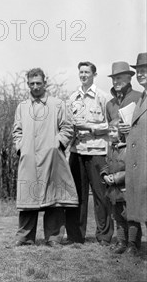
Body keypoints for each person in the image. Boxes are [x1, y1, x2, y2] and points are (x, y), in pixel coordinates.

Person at [12, 68, 78, 247]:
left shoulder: (57, 104)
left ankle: (54, 238)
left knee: (54, 199)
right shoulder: (22, 107)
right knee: (28, 199)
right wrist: (21, 148)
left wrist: (57, 144)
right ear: (28, 85)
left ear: (45, 83)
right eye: (32, 84)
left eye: (38, 83)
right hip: (30, 158)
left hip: (52, 158)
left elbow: (68, 128)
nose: (35, 87)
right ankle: (24, 237)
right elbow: (17, 131)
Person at [65, 61, 113, 245]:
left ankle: (104, 236)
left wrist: (91, 128)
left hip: (97, 151)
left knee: (101, 195)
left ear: (94, 74)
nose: (83, 75)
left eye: (87, 72)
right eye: (81, 72)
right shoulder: (72, 97)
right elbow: (68, 124)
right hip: (77, 151)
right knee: (77, 195)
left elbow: (112, 125)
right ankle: (75, 236)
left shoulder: (103, 97)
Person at [100, 119, 142, 254]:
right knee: (118, 218)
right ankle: (121, 242)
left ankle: (132, 245)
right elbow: (106, 164)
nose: (110, 133)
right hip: (114, 192)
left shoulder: (130, 148)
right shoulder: (111, 148)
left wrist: (116, 178)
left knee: (131, 218)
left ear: (122, 133)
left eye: (113, 130)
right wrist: (105, 174)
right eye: (109, 130)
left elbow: (132, 168)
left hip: (127, 190)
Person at [124, 52, 147, 254]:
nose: (140, 74)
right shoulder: (142, 97)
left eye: (144, 70)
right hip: (137, 162)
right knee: (137, 205)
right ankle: (133, 245)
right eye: (138, 70)